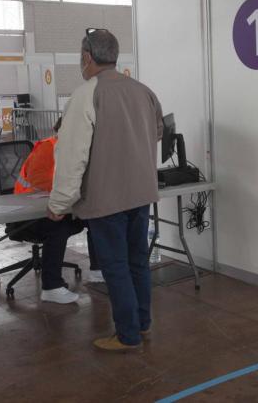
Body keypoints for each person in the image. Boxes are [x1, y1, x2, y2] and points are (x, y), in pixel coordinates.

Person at [47, 28, 163, 352]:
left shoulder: (86, 95)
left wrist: (59, 202)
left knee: (116, 267)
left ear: (87, 57)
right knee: (138, 261)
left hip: (107, 199)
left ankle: (127, 336)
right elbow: (157, 133)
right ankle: (142, 323)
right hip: (141, 194)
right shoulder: (143, 91)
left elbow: (72, 156)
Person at [12, 117, 85, 304]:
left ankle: (98, 270)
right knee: (58, 229)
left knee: (96, 216)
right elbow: (42, 184)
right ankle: (51, 287)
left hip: (55, 208)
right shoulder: (48, 148)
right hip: (27, 214)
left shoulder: (73, 150)